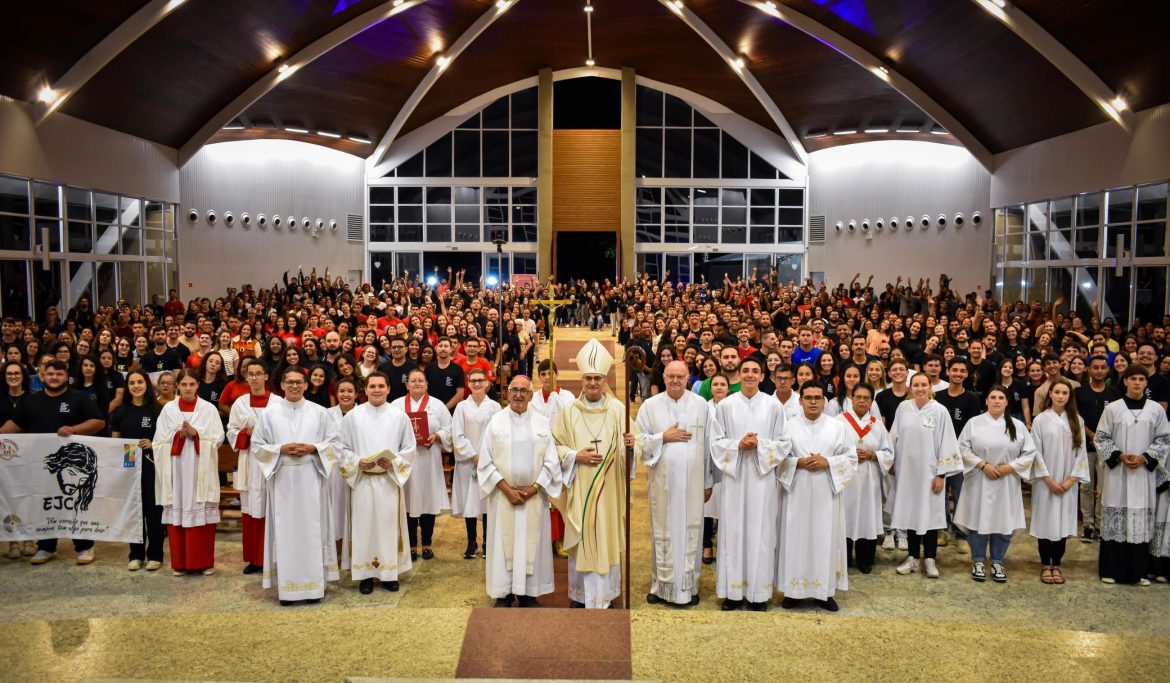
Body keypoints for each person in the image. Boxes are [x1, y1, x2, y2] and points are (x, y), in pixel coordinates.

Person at [551, 338, 633, 609]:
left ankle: (605, 595)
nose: (593, 383)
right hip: (580, 487)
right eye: (588, 378)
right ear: (582, 380)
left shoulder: (619, 410)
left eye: (598, 378)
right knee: (583, 535)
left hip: (609, 491)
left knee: (605, 536)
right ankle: (581, 595)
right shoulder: (568, 412)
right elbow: (555, 445)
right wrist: (576, 456)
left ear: (605, 379)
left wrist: (629, 447)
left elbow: (632, 446)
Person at [0, 359, 106, 565]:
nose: (54, 377)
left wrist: (74, 430)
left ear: (66, 376)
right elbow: (14, 425)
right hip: (41, 466)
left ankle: (84, 545)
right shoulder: (31, 401)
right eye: (50, 374)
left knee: (73, 504)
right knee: (44, 504)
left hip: (71, 469)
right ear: (42, 376)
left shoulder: (78, 399)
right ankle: (47, 547)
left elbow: (99, 422)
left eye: (59, 374)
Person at [252, 365, 342, 605]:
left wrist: (313, 448)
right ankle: (288, 590)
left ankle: (314, 588)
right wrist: (280, 449)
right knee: (285, 533)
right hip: (283, 480)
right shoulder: (269, 414)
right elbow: (257, 446)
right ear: (281, 385)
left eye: (298, 382)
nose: (294, 386)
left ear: (305, 385)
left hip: (312, 478)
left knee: (313, 531)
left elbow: (336, 445)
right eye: (289, 382)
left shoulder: (320, 413)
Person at [711, 356, 790, 611]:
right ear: (738, 374)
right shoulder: (725, 406)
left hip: (762, 479)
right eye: (745, 370)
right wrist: (737, 445)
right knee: (732, 532)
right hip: (734, 479)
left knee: (761, 534)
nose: (749, 375)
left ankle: (759, 594)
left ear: (762, 376)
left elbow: (784, 443)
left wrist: (759, 444)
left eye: (754, 371)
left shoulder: (774, 406)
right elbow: (715, 442)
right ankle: (732, 594)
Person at [478, 374, 563, 607]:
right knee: (502, 545)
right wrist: (506, 489)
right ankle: (503, 593)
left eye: (523, 391)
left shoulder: (542, 422)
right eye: (514, 390)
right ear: (507, 393)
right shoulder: (495, 422)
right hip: (503, 497)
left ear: (531, 395)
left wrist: (535, 488)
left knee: (532, 544)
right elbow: (485, 462)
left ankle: (528, 594)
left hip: (532, 499)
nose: (518, 394)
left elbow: (552, 462)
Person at [635, 360, 713, 607]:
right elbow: (638, 441)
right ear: (664, 377)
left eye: (680, 376)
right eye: (671, 376)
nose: (676, 380)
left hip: (694, 483)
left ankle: (689, 587)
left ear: (688, 377)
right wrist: (663, 437)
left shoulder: (701, 405)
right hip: (662, 483)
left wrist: (708, 482)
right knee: (663, 532)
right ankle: (660, 587)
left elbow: (710, 445)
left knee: (691, 532)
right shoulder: (649, 406)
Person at [776, 381, 857, 611]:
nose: (813, 401)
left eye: (817, 398)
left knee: (825, 539)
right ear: (800, 400)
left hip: (826, 493)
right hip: (796, 492)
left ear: (824, 400)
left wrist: (827, 462)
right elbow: (778, 459)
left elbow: (851, 459)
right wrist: (798, 462)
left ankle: (824, 592)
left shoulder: (837, 427)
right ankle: (793, 592)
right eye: (808, 397)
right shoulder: (787, 427)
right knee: (795, 539)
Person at [339, 371, 417, 594]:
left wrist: (393, 463)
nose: (376, 390)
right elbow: (341, 448)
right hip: (362, 481)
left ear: (389, 389)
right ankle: (365, 575)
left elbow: (409, 449)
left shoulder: (399, 416)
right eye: (372, 386)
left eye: (381, 386)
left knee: (387, 528)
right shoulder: (352, 417)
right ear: (365, 389)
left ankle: (389, 574)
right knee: (364, 528)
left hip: (388, 481)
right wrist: (356, 462)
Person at [1094, 366, 1170, 585]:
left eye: (1141, 379)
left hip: (1142, 475)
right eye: (1133, 378)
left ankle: (1138, 573)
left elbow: (1164, 439)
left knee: (1139, 521)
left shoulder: (1155, 410)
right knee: (1115, 518)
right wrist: (1119, 455)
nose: (1137, 382)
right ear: (1125, 381)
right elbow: (1101, 437)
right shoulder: (1113, 409)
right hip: (1118, 472)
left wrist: (1145, 457)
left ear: (1146, 383)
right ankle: (1110, 570)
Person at [954, 386, 1037, 583]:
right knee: (977, 521)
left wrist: (1010, 467)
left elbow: (1030, 452)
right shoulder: (974, 423)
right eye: (993, 397)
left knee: (1003, 522)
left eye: (1001, 397)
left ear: (1007, 402)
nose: (997, 401)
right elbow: (962, 448)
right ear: (987, 401)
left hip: (1006, 481)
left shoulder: (1017, 425)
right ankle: (979, 561)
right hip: (979, 480)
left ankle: (998, 561)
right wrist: (982, 465)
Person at [888, 372, 962, 579]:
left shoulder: (940, 411)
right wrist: (892, 462)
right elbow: (894, 437)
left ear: (930, 387)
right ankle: (912, 557)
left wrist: (941, 475)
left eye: (923, 385)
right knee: (911, 514)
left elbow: (948, 442)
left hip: (931, 475)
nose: (920, 388)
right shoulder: (903, 408)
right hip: (907, 474)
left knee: (930, 516)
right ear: (910, 388)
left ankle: (929, 559)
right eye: (916, 385)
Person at [152, 368, 224, 576]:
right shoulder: (168, 410)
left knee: (202, 509)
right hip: (177, 469)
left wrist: (196, 434)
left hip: (201, 469)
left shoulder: (209, 409)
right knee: (178, 510)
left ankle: (203, 562)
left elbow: (218, 438)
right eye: (183, 384)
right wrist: (179, 436)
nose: (188, 388)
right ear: (177, 386)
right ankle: (180, 563)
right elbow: (159, 441)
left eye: (192, 384)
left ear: (198, 385)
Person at [1028, 378, 1091, 585]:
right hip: (1046, 482)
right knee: (1046, 523)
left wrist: (1071, 480)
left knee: (1063, 523)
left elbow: (1081, 453)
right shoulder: (1040, 420)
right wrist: (1048, 480)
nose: (1061, 396)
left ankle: (1058, 564)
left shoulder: (1076, 420)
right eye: (1057, 392)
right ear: (1051, 395)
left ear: (1069, 397)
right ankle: (1046, 565)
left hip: (1067, 483)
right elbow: (1035, 452)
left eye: (1065, 393)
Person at [392, 368, 453, 560]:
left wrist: (437, 436)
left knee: (428, 501)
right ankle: (411, 546)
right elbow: (389, 430)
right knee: (408, 502)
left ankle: (427, 543)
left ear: (426, 385)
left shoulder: (437, 405)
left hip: (429, 459)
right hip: (406, 462)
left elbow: (449, 429)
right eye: (413, 381)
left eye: (420, 381)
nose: (417, 383)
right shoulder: (396, 405)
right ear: (406, 384)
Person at [111, 368, 165, 571]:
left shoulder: (158, 410)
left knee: (153, 511)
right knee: (133, 510)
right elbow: (115, 441)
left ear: (147, 385)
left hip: (152, 465)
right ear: (127, 387)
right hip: (129, 465)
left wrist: (153, 443)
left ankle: (155, 554)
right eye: (132, 383)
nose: (136, 386)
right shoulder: (120, 411)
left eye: (140, 382)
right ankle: (135, 554)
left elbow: (165, 438)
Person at [225, 359, 273, 574]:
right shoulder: (240, 404)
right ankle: (255, 559)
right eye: (250, 374)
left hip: (272, 464)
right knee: (252, 512)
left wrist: (263, 434)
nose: (254, 377)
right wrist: (246, 433)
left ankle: (273, 558)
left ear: (266, 377)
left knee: (272, 511)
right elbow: (231, 430)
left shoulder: (278, 403)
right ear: (246, 377)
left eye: (258, 373)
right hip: (250, 463)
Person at [840, 383, 893, 574]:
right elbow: (832, 447)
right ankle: (842, 558)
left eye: (866, 398)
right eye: (858, 397)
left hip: (870, 478)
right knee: (844, 516)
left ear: (871, 401)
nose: (862, 401)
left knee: (867, 516)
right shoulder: (839, 421)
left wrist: (873, 456)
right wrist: (850, 453)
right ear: (851, 399)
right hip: (846, 478)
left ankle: (865, 558)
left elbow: (888, 452)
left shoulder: (877, 425)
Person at [934, 358, 982, 554]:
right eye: (955, 370)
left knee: (961, 493)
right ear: (948, 371)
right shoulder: (936, 396)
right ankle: (942, 529)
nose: (958, 374)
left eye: (962, 371)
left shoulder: (972, 399)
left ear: (967, 374)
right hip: (940, 453)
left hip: (962, 454)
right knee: (940, 494)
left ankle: (961, 533)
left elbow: (972, 429)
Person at [451, 368, 500, 559]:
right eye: (473, 381)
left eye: (481, 380)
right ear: (468, 383)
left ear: (487, 383)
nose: (477, 384)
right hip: (468, 463)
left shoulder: (495, 407)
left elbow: (498, 434)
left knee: (487, 501)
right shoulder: (462, 407)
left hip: (489, 462)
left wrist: (485, 457)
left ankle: (488, 541)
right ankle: (471, 541)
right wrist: (474, 456)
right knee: (470, 502)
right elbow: (458, 435)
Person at [1074, 356, 1121, 541]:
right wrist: (1092, 435)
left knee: (1103, 488)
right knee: (1085, 487)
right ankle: (1088, 525)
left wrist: (1101, 438)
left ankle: (1101, 525)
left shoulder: (1114, 393)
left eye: (1103, 367)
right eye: (1096, 367)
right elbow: (1076, 416)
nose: (1099, 370)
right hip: (1085, 445)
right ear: (1089, 370)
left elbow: (1117, 420)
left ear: (1108, 370)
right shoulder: (1080, 392)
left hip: (1107, 447)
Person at [326, 378, 360, 556]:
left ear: (356, 394)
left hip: (358, 469)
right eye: (342, 391)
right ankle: (337, 550)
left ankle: (357, 550)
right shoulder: (327, 414)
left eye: (349, 391)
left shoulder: (363, 414)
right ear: (336, 394)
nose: (345, 395)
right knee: (336, 509)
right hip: (334, 471)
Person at [702, 373, 731, 564]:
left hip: (729, 463)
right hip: (708, 461)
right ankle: (706, 545)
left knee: (726, 506)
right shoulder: (704, 408)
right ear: (710, 388)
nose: (719, 387)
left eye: (723, 384)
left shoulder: (733, 407)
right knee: (707, 506)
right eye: (716, 384)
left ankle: (725, 544)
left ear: (728, 388)